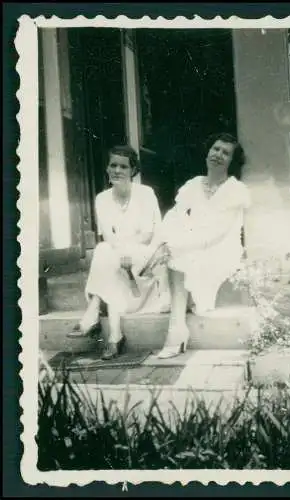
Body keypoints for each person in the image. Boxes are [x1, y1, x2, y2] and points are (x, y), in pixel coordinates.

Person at [144, 133, 251, 359]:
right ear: (208, 151)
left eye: (225, 153)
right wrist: (164, 242)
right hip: (192, 246)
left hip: (222, 249)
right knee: (177, 254)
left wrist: (174, 246)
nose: (218, 155)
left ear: (233, 161)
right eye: (216, 149)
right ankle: (177, 327)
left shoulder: (235, 190)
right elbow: (173, 217)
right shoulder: (193, 185)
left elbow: (217, 234)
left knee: (179, 256)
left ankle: (176, 330)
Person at [67, 145, 170, 360]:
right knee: (104, 248)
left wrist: (123, 248)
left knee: (105, 254)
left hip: (144, 255)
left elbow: (148, 234)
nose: (117, 170)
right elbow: (107, 236)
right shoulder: (102, 199)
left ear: (133, 170)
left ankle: (94, 311)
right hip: (117, 256)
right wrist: (120, 249)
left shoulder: (145, 194)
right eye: (113, 165)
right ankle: (114, 335)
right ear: (107, 168)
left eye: (123, 166)